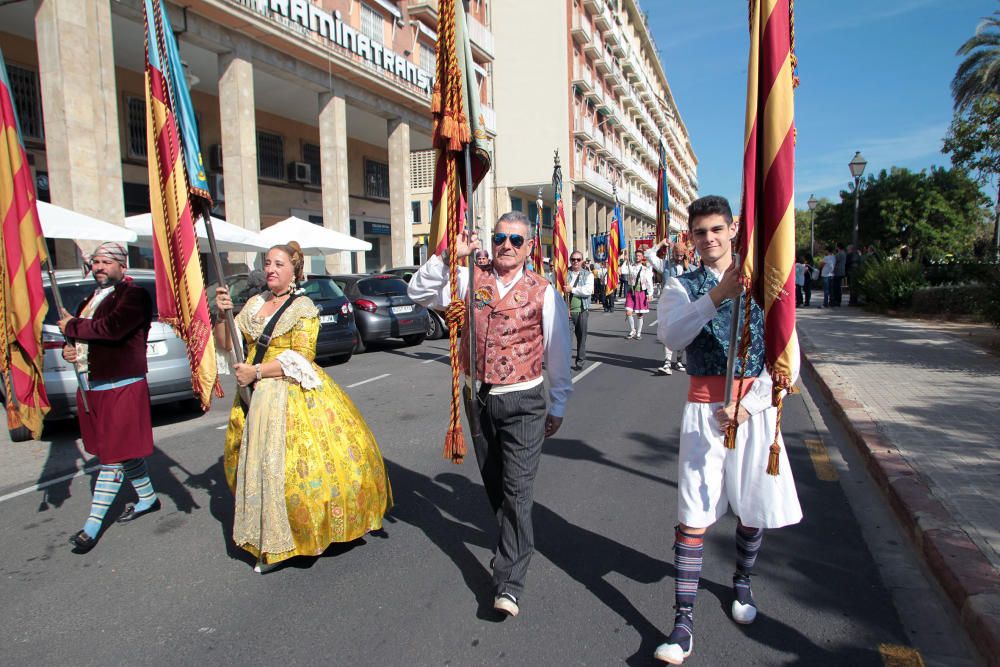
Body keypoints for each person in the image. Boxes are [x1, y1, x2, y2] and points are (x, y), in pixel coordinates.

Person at [654, 196, 802, 664]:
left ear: (733, 228)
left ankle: (742, 581)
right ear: (690, 237)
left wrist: (749, 404)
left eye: (717, 229)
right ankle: (682, 624)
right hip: (703, 411)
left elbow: (786, 360)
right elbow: (671, 336)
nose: (709, 239)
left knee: (750, 506)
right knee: (693, 513)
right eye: (700, 233)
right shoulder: (681, 284)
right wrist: (718, 296)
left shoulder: (766, 280)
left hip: (752, 411)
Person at [408, 212, 572, 618]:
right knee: (497, 486)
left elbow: (558, 352)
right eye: (500, 238)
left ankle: (510, 580)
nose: (507, 246)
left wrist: (559, 403)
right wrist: (449, 257)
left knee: (518, 490)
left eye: (516, 240)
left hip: (524, 402)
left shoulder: (543, 292)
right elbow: (418, 293)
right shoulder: (469, 277)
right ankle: (513, 541)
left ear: (530, 247)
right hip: (478, 400)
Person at [214, 241, 392, 573]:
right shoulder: (253, 304)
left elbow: (302, 357)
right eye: (267, 263)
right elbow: (228, 344)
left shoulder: (303, 307)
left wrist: (257, 371)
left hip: (288, 395)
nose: (270, 269)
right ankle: (268, 542)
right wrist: (221, 313)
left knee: (292, 472)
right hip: (254, 398)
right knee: (256, 471)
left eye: (279, 264)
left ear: (294, 271)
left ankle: (300, 537)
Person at [56, 242, 160, 554]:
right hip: (94, 385)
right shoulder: (91, 298)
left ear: (121, 266)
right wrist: (69, 348)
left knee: (112, 457)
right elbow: (83, 339)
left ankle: (91, 526)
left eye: (106, 262)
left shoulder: (134, 295)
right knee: (122, 451)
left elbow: (112, 329)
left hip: (123, 385)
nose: (99, 267)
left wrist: (72, 325)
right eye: (96, 262)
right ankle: (148, 499)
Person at [567, 251, 595, 371]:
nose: (575, 262)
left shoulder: (588, 275)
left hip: (582, 311)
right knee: (566, 340)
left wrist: (572, 289)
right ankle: (565, 362)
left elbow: (587, 290)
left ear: (582, 261)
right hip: (566, 312)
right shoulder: (564, 273)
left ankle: (580, 360)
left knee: (581, 338)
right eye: (573, 259)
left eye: (578, 259)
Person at [622, 249, 655, 340]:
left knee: (639, 314)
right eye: (636, 255)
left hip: (640, 292)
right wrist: (625, 260)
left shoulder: (645, 269)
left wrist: (650, 293)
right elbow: (623, 271)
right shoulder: (631, 267)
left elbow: (649, 282)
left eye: (639, 255)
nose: (637, 257)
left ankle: (639, 332)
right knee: (628, 312)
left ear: (642, 257)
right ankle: (633, 330)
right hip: (631, 292)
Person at [832, 242, 847, 307]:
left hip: (838, 272)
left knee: (836, 287)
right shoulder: (844, 253)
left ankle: (837, 301)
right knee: (838, 286)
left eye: (836, 246)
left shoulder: (839, 254)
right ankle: (838, 300)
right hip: (842, 271)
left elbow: (834, 260)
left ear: (838, 247)